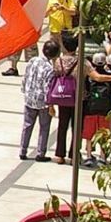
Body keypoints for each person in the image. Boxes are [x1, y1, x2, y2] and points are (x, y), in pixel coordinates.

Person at [80, 51, 111, 168]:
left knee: (89, 134)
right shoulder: (108, 77)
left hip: (90, 108)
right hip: (106, 110)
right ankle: (102, 157)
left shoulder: (89, 77)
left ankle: (89, 156)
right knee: (104, 134)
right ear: (105, 62)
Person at [19, 39, 59, 160]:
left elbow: (26, 77)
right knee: (44, 127)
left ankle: (23, 150)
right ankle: (41, 153)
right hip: (43, 103)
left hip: (30, 99)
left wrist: (25, 91)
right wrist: (51, 106)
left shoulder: (33, 60)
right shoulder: (50, 69)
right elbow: (48, 88)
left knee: (27, 125)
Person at [49, 36, 81, 164]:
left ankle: (60, 154)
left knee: (62, 125)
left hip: (63, 96)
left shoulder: (58, 61)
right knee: (76, 127)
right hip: (77, 97)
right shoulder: (81, 61)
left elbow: (53, 79)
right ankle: (73, 155)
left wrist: (50, 103)